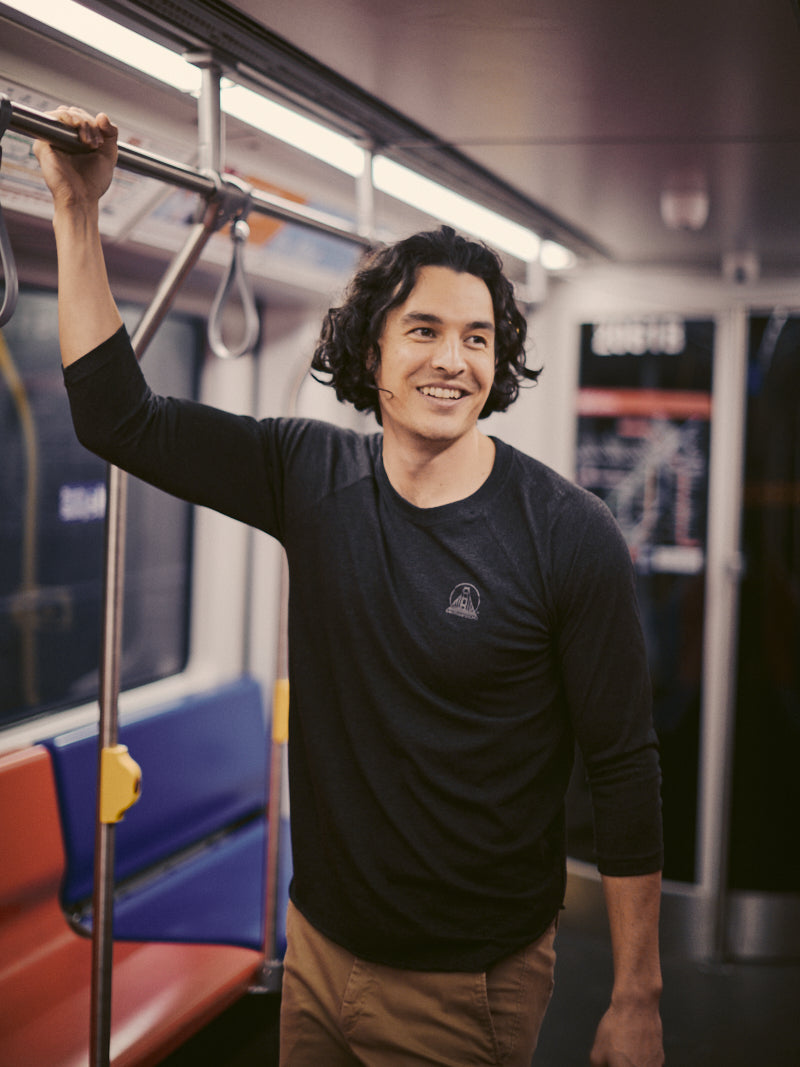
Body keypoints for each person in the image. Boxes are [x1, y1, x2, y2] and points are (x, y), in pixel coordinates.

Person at [35, 108, 664, 1067]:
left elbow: (623, 766)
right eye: (424, 330)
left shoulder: (569, 534)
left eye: (477, 337)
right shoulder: (308, 474)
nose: (453, 359)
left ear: (497, 365)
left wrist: (636, 995)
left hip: (468, 987)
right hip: (317, 950)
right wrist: (77, 210)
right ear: (371, 351)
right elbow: (119, 419)